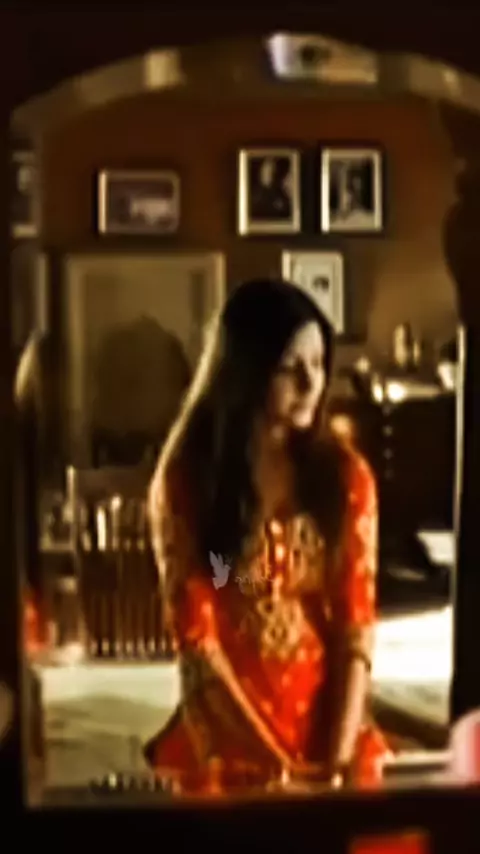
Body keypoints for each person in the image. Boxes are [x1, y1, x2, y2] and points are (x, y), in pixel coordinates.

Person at [145, 278, 390, 792]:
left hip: (328, 725)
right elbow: (199, 637)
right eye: (290, 367)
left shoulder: (344, 477)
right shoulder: (191, 480)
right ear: (246, 372)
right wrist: (279, 769)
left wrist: (336, 765)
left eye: (318, 364)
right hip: (228, 728)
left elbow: (355, 628)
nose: (310, 382)